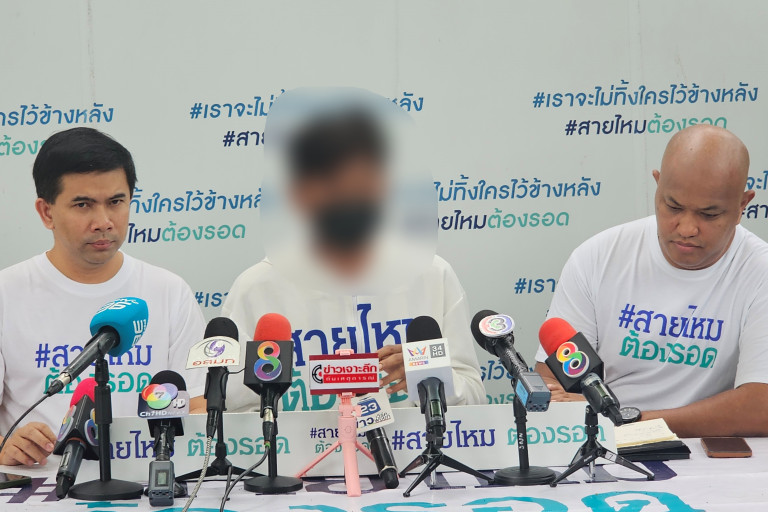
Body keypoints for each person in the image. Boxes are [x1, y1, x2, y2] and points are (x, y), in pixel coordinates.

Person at [222, 91, 485, 412]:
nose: (350, 201)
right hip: (302, 448)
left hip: (416, 445)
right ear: (298, 194)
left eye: (362, 188)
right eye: (335, 189)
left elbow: (474, 396)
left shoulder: (432, 275)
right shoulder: (257, 289)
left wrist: (432, 378)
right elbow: (235, 413)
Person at [535, 124, 768, 438]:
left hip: (701, 451)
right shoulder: (598, 256)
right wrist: (615, 425)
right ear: (657, 185)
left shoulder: (760, 272)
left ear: (743, 205)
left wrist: (631, 423)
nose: (686, 228)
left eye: (709, 215)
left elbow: (760, 408)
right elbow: (554, 383)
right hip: (601, 444)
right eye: (673, 207)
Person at [0, 127, 206, 466]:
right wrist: (5, 445)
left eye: (116, 202)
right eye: (83, 205)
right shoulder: (7, 294)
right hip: (40, 486)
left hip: (151, 483)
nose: (104, 221)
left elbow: (197, 404)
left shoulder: (169, 292)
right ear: (46, 212)